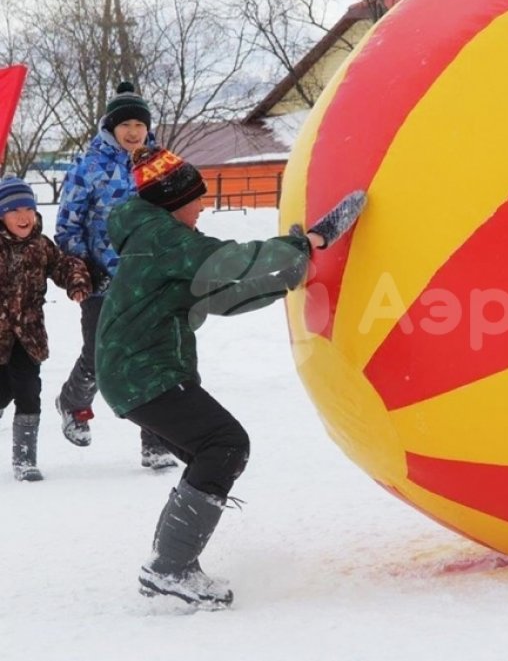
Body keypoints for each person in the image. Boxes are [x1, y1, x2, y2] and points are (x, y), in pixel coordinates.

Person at [95, 146, 366, 606]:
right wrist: (306, 243)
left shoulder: (153, 236)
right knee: (224, 444)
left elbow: (222, 295)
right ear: (174, 201)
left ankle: (170, 564)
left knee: (215, 450)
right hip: (143, 371)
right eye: (196, 199)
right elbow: (229, 262)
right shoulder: (165, 238)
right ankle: (170, 567)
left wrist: (290, 273)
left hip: (135, 372)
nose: (203, 207)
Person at [54, 81, 177, 469]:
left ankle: (155, 442)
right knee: (99, 351)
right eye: (126, 124)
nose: (133, 131)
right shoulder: (88, 167)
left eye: (140, 124)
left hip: (148, 276)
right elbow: (67, 226)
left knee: (151, 356)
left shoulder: (160, 164)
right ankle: (74, 403)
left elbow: (179, 211)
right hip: (101, 277)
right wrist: (82, 268)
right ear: (111, 126)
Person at [0, 176, 91, 481]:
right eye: (14, 210)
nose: (24, 216)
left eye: (29, 208)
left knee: (29, 392)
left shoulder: (41, 246)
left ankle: (25, 459)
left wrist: (76, 281)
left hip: (28, 337)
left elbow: (64, 265)